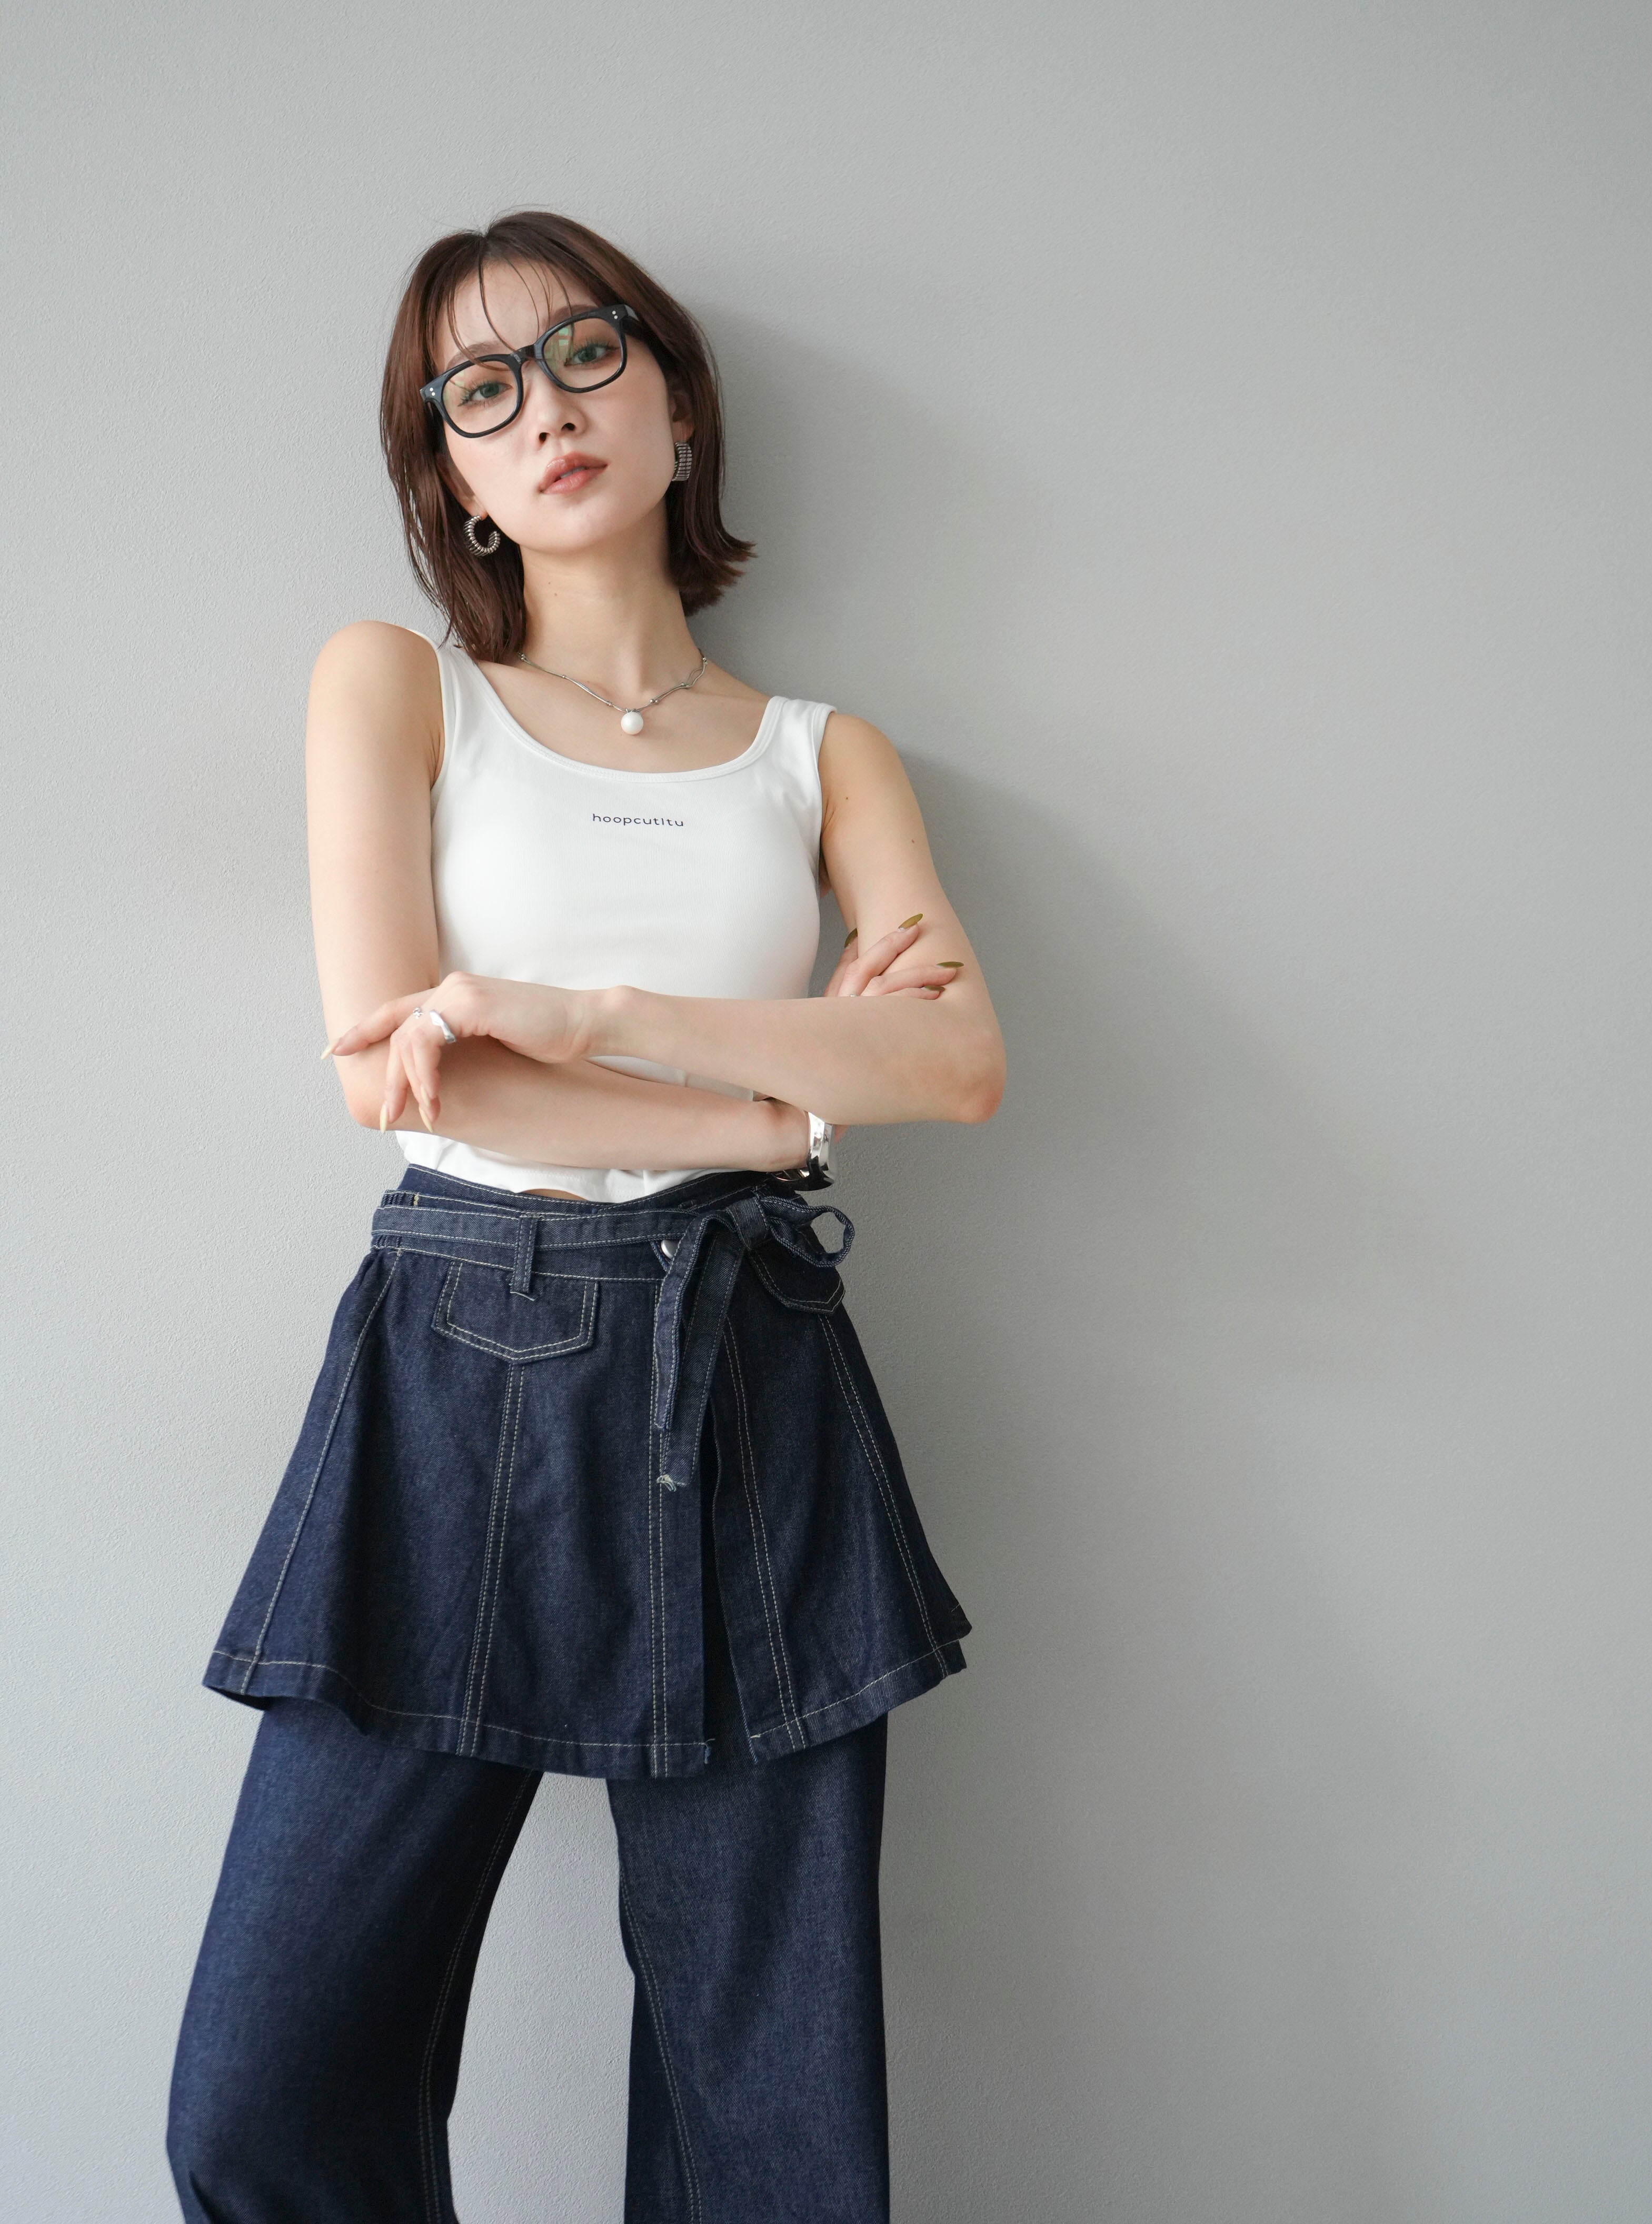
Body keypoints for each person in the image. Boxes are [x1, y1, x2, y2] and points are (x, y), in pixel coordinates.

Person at [166, 210, 1004, 2224]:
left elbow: (962, 1062)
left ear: (678, 401)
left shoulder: (825, 754)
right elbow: (399, 1073)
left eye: (585, 351)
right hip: (468, 1358)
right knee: (263, 2103)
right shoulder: (399, 688)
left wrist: (600, 1014)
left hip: (753, 1385)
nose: (543, 407)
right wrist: (782, 1101)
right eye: (481, 388)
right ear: (453, 475)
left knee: (768, 2140)